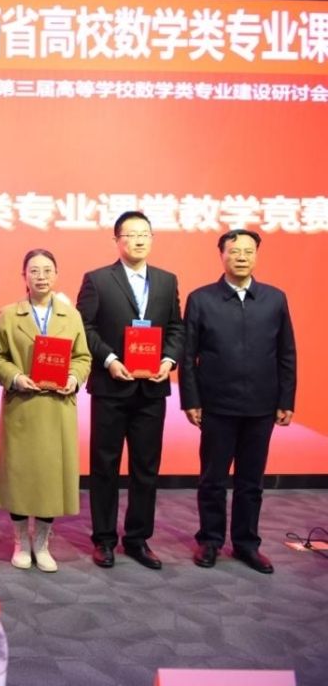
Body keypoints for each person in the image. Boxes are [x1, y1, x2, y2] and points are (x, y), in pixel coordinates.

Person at [180, 229, 297, 574]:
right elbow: (188, 356)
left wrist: (286, 398)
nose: (242, 257)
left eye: (248, 251)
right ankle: (210, 540)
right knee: (213, 479)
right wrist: (191, 400)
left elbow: (286, 353)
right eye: (234, 251)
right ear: (222, 255)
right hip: (216, 405)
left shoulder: (275, 299)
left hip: (261, 406)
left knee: (251, 481)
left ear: (256, 255)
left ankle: (247, 544)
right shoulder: (201, 299)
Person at [76, 211, 183, 570]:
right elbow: (85, 327)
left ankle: (138, 539)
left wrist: (169, 360)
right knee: (104, 466)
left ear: (152, 239)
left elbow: (176, 328)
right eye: (131, 234)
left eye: (145, 234)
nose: (138, 240)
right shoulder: (97, 280)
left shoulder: (167, 280)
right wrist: (108, 360)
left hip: (151, 389)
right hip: (111, 386)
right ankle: (104, 539)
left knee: (146, 468)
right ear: (117, 240)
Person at [0, 249, 91, 572]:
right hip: (22, 405)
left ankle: (42, 543)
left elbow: (83, 357)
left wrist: (74, 378)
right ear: (24, 276)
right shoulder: (9, 315)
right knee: (20, 475)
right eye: (34, 270)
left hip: (57, 407)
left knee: (50, 478)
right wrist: (15, 377)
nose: (41, 276)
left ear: (57, 274)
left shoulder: (71, 316)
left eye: (48, 270)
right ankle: (21, 541)